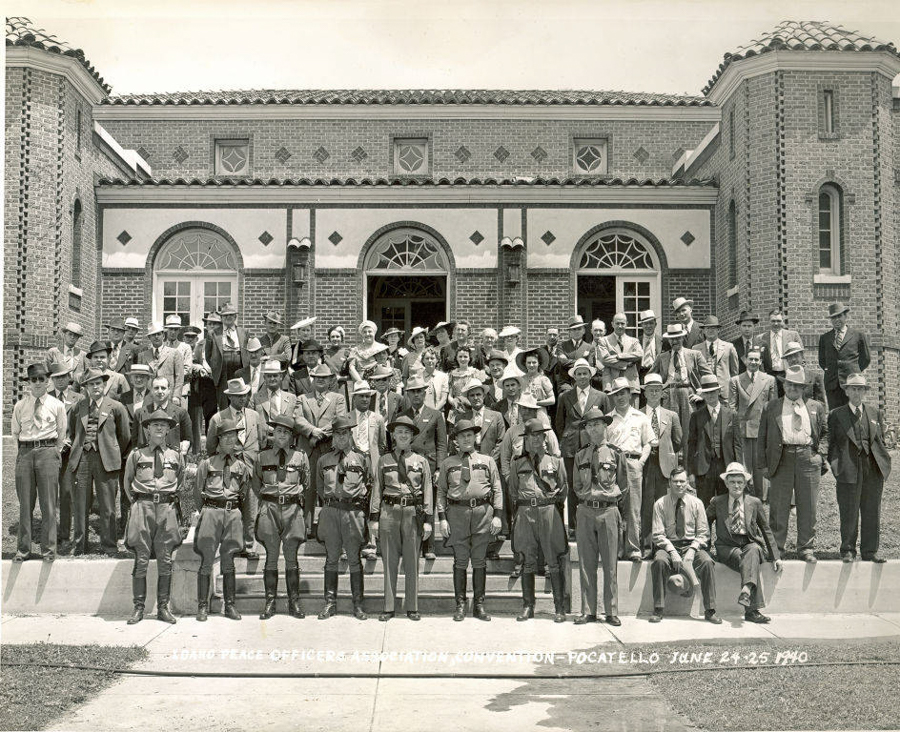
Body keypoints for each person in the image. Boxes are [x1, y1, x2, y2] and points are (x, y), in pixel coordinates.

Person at [756, 366, 828, 562]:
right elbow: (761, 437)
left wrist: (820, 454)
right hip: (781, 458)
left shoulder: (815, 407)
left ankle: (806, 548)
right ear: (784, 385)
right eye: (789, 384)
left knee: (808, 505)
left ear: (804, 388)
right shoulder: (771, 407)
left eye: (797, 385)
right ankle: (776, 547)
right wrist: (762, 464)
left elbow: (825, 433)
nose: (792, 388)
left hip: (808, 458)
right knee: (779, 506)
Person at [122, 408, 184, 624]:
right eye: (154, 424)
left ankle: (163, 608)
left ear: (168, 429)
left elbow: (181, 481)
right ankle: (138, 608)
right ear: (147, 429)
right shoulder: (137, 455)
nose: (159, 428)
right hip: (143, 507)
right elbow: (128, 483)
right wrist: (139, 504)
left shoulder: (176, 455)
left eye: (163, 425)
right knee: (141, 558)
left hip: (166, 508)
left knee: (166, 559)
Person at [437, 420, 503, 622]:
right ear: (455, 440)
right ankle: (460, 605)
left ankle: (479, 605)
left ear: (475, 437)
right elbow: (441, 492)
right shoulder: (448, 463)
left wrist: (498, 517)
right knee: (460, 561)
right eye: (461, 436)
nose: (466, 439)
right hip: (457, 514)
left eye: (469, 435)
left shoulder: (487, 460)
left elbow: (497, 488)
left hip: (483, 513)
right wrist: (442, 519)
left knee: (479, 560)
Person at [370, 416, 434, 621]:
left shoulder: (421, 461)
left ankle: (412, 606)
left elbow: (427, 491)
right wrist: (374, 518)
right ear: (393, 435)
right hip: (389, 511)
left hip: (412, 513)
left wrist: (427, 520)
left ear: (412, 435)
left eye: (407, 432)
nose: (403, 435)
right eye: (399, 432)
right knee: (389, 560)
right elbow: (377, 489)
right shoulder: (384, 460)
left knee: (412, 560)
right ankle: (389, 607)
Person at [509, 419, 568, 623]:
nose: (535, 440)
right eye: (531, 437)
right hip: (526, 512)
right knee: (527, 559)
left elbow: (563, 489)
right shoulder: (517, 463)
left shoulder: (555, 462)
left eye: (539, 436)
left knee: (553, 560)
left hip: (548, 510)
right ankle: (528, 606)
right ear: (526, 440)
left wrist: (549, 504)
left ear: (545, 438)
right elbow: (513, 491)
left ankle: (559, 608)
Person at [827, 374, 891, 563]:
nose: (857, 392)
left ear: (864, 392)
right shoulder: (836, 415)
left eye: (860, 388)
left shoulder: (873, 413)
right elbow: (831, 443)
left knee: (872, 509)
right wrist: (836, 465)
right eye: (853, 388)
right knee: (849, 509)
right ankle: (848, 550)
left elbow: (879, 440)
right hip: (848, 468)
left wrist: (883, 461)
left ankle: (870, 551)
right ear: (846, 391)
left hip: (872, 467)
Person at [707, 462, 782, 623]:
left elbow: (766, 529)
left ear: (745, 483)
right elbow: (704, 526)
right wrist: (704, 550)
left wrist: (776, 556)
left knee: (753, 550)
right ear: (726, 483)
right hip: (727, 547)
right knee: (750, 562)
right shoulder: (717, 502)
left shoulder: (754, 502)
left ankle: (746, 590)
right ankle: (752, 610)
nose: (736, 486)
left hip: (749, 543)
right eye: (732, 482)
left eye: (740, 482)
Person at [68, 368, 131, 556]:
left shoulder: (116, 406)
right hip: (83, 458)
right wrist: (81, 447)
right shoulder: (78, 406)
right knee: (80, 504)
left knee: (108, 504)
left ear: (104, 385)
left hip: (106, 459)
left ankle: (109, 544)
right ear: (85, 387)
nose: (95, 387)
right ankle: (79, 545)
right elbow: (72, 432)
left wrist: (110, 449)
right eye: (91, 384)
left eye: (98, 383)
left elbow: (125, 436)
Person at [194, 417, 251, 621]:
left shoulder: (241, 466)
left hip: (233, 513)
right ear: (218, 439)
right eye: (226, 436)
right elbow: (197, 492)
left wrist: (234, 513)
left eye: (233, 436)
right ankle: (202, 606)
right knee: (207, 559)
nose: (230, 440)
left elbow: (244, 493)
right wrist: (209, 511)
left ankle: (230, 606)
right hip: (211, 511)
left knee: (229, 561)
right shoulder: (207, 463)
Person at [253, 414, 310, 620]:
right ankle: (270, 602)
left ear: (292, 436)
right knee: (270, 555)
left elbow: (306, 482)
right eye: (278, 431)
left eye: (286, 432)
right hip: (270, 507)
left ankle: (293, 602)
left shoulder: (300, 457)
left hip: (292, 509)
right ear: (273, 433)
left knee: (292, 556)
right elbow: (256, 483)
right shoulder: (262, 457)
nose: (282, 435)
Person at [572, 407, 625, 625]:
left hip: (608, 510)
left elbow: (623, 483)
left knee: (610, 563)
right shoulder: (580, 455)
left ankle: (611, 611)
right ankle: (589, 610)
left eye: (597, 424)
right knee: (586, 563)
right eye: (589, 425)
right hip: (585, 510)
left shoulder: (614, 453)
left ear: (605, 425)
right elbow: (576, 484)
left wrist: (608, 500)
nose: (593, 429)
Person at [316, 413, 372, 620]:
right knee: (331, 559)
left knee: (354, 558)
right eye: (337, 434)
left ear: (350, 434)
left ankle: (358, 604)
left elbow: (368, 483)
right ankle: (330, 603)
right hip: (331, 512)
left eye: (345, 433)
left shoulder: (361, 459)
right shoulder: (324, 460)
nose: (341, 438)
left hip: (353, 512)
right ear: (333, 436)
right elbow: (320, 487)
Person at [11, 363, 67, 562]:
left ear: (47, 381)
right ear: (28, 383)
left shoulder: (56, 405)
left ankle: (48, 550)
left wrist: (53, 452)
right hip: (26, 453)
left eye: (41, 379)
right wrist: (26, 452)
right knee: (25, 504)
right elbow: (15, 432)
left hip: (48, 452)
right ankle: (23, 550)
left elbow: (62, 432)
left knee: (49, 504)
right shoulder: (20, 405)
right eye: (33, 379)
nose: (37, 383)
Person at [649, 468, 720, 624]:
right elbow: (657, 535)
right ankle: (658, 608)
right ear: (669, 483)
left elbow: (703, 533)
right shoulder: (660, 504)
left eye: (682, 481)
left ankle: (710, 610)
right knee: (659, 561)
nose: (679, 485)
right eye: (675, 481)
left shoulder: (697, 503)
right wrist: (672, 551)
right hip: (668, 545)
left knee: (707, 562)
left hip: (691, 545)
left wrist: (693, 549)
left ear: (688, 483)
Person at [206, 377, 264, 559]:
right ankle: (231, 543)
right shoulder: (218, 418)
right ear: (230, 397)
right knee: (230, 506)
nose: (242, 399)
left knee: (251, 507)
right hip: (229, 469)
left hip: (251, 467)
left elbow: (261, 440)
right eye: (238, 396)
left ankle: (249, 545)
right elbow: (210, 447)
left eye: (245, 395)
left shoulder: (254, 416)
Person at [555, 358, 609, 536]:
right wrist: (566, 439)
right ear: (574, 377)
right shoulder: (565, 397)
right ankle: (573, 526)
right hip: (571, 447)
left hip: (593, 445)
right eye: (579, 374)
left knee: (594, 481)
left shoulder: (601, 396)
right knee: (573, 485)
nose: (582, 376)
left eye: (585, 373)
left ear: (591, 375)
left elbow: (606, 422)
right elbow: (559, 423)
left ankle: (594, 524)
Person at [399, 374, 447, 560]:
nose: (416, 395)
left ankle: (429, 546)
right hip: (408, 465)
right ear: (408, 394)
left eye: (419, 391)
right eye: (413, 392)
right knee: (411, 504)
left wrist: (438, 469)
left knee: (428, 504)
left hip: (429, 464)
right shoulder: (402, 416)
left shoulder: (435, 414)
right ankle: (411, 544)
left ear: (425, 392)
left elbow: (441, 444)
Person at [605, 376, 653, 561]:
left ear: (630, 395)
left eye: (623, 393)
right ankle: (616, 548)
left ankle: (633, 548)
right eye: (616, 394)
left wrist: (641, 462)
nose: (620, 397)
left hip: (634, 463)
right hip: (612, 464)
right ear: (613, 397)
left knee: (633, 508)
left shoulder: (641, 417)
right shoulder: (608, 419)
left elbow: (648, 443)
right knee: (614, 507)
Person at [295, 363, 346, 533]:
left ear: (331, 380)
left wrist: (320, 434)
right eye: (318, 378)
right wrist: (313, 431)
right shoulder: (303, 398)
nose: (321, 381)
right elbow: (297, 419)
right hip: (308, 452)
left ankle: (328, 527)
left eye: (325, 378)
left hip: (329, 450)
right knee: (308, 489)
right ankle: (307, 528)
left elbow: (339, 420)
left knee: (329, 488)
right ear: (313, 379)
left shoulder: (338, 398)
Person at [640, 373, 682, 558]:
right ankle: (647, 545)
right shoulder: (638, 414)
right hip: (646, 464)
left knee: (665, 505)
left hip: (665, 465)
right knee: (647, 505)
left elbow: (678, 440)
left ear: (662, 393)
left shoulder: (671, 415)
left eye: (658, 389)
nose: (655, 393)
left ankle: (665, 545)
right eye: (651, 390)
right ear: (645, 393)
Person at [650, 323, 713, 442]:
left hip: (688, 394)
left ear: (683, 338)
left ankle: (688, 460)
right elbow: (650, 376)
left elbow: (709, 376)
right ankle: (671, 459)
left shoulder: (694, 354)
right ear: (668, 340)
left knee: (689, 430)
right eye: (672, 339)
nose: (675, 341)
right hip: (669, 395)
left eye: (678, 338)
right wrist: (660, 391)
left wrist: (701, 393)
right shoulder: (662, 357)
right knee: (669, 430)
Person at [686, 373, 742, 507]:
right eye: (706, 393)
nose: (710, 396)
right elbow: (691, 445)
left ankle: (724, 529)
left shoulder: (731, 415)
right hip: (704, 469)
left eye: (713, 392)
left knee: (726, 507)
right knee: (704, 508)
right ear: (703, 395)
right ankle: (705, 529)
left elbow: (737, 445)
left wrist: (738, 470)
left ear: (719, 391)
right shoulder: (696, 416)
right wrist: (691, 473)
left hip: (726, 467)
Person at [728, 348, 776, 499]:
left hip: (762, 427)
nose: (754, 362)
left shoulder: (769, 380)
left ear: (761, 362)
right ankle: (746, 494)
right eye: (751, 359)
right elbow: (732, 407)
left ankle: (762, 496)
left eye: (757, 359)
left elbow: (772, 406)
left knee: (761, 463)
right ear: (745, 361)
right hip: (744, 427)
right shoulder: (735, 380)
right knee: (745, 463)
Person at [47, 362, 82, 551]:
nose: (61, 380)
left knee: (67, 493)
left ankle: (65, 535)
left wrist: (71, 440)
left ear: (69, 377)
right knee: (49, 493)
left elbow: (82, 427)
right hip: (49, 452)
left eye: (64, 376)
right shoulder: (46, 398)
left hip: (70, 454)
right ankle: (49, 533)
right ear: (52, 380)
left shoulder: (79, 398)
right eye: (57, 377)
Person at [818, 303, 871, 410]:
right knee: (835, 415)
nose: (837, 320)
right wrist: (833, 370)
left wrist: (853, 370)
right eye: (833, 317)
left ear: (845, 316)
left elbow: (866, 359)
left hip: (852, 383)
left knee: (853, 412)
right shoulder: (825, 338)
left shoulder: (858, 336)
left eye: (839, 316)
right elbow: (822, 361)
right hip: (832, 384)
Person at [132, 376, 192, 454]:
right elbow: (134, 441)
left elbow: (188, 439)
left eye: (163, 388)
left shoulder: (181, 413)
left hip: (171, 460)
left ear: (169, 391)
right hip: (146, 460)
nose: (160, 391)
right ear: (151, 391)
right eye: (156, 388)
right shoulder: (140, 413)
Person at [207, 303, 249, 408]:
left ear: (235, 316)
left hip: (240, 369)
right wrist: (216, 367)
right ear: (221, 318)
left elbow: (247, 352)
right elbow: (208, 355)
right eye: (225, 315)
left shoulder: (244, 332)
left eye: (231, 315)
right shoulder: (213, 333)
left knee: (240, 398)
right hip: (222, 371)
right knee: (224, 402)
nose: (228, 317)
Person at [252, 359, 298, 448]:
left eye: (275, 375)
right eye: (269, 376)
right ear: (264, 378)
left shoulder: (292, 398)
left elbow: (296, 422)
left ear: (281, 376)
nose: (272, 378)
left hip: (286, 444)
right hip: (263, 445)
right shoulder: (255, 398)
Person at [597, 313, 643, 401]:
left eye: (622, 323)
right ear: (612, 324)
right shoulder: (604, 341)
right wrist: (626, 363)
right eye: (617, 323)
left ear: (627, 324)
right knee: (612, 413)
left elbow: (639, 354)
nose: (620, 326)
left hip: (631, 383)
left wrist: (619, 356)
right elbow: (605, 359)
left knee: (633, 413)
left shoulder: (634, 341)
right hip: (611, 383)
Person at [139, 323, 185, 404]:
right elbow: (140, 377)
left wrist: (176, 396)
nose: (156, 337)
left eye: (158, 334)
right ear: (149, 337)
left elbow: (179, 377)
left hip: (169, 397)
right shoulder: (143, 355)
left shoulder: (174, 353)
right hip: (149, 398)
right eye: (153, 335)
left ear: (163, 336)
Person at [756, 308, 800, 385]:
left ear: (783, 321)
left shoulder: (793, 335)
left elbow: (801, 357)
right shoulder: (760, 338)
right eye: (773, 321)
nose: (776, 324)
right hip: (768, 375)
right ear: (769, 321)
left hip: (788, 374)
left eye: (779, 321)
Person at [696, 316, 738, 396]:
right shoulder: (696, 349)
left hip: (724, 392)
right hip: (705, 391)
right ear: (703, 331)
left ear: (718, 330)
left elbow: (734, 373)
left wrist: (733, 391)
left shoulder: (729, 347)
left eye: (713, 328)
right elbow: (695, 373)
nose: (710, 330)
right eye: (707, 328)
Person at [516, 347, 555, 425]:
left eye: (534, 362)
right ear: (525, 363)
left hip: (539, 414)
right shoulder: (521, 380)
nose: (531, 365)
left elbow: (552, 400)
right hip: (524, 415)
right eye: (529, 362)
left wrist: (536, 403)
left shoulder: (543, 379)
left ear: (539, 363)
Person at [163, 315, 194, 403]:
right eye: (171, 329)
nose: (173, 332)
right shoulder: (162, 346)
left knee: (180, 415)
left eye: (176, 329)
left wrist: (171, 378)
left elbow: (187, 369)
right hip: (163, 389)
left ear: (179, 330)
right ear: (166, 329)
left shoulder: (185, 347)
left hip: (181, 389)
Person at [46, 321, 87, 388]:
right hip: (57, 390)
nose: (72, 337)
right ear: (64, 335)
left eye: (75, 335)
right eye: (70, 334)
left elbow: (86, 376)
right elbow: (47, 373)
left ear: (78, 338)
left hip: (76, 391)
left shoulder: (83, 355)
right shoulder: (53, 352)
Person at [448, 346, 485, 412]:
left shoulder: (475, 373)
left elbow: (480, 393)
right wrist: (454, 403)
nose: (462, 359)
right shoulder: (452, 374)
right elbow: (450, 396)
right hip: (456, 408)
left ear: (469, 358)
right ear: (456, 358)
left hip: (472, 408)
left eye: (465, 356)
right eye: (460, 356)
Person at [419, 346, 449, 412]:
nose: (430, 361)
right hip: (422, 413)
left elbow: (444, 399)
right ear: (423, 360)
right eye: (427, 358)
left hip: (438, 412)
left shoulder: (443, 376)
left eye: (432, 358)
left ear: (437, 360)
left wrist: (434, 412)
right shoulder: (418, 377)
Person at [638, 310, 661, 384]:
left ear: (655, 324)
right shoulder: (636, 342)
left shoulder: (663, 341)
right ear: (641, 325)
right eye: (645, 323)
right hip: (640, 375)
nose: (648, 326)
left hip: (656, 374)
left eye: (651, 323)